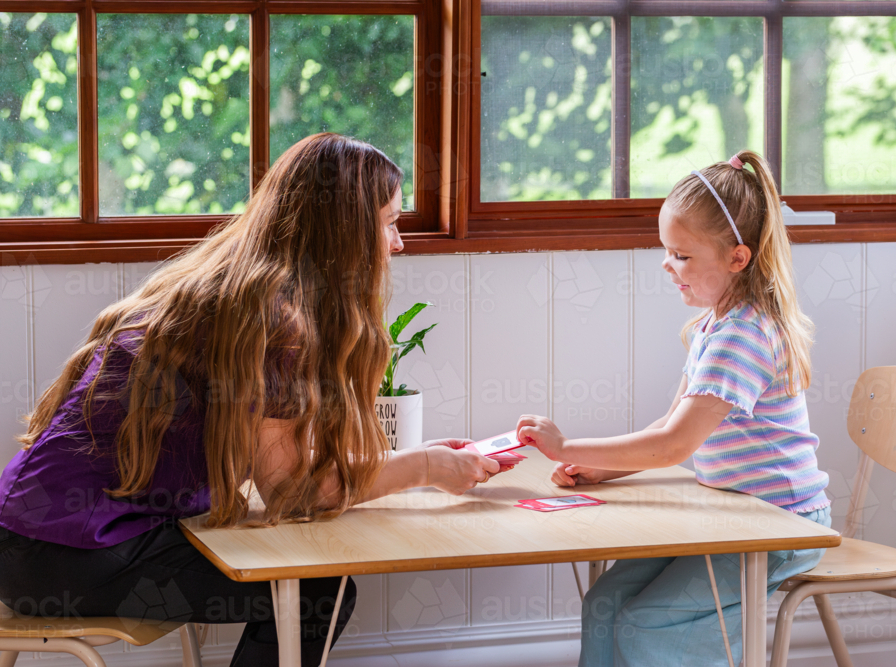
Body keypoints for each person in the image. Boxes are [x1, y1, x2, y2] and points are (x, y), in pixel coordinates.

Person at [0, 133, 500, 667]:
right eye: (388, 221)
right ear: (343, 233)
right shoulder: (273, 323)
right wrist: (423, 466)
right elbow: (294, 491)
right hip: (71, 560)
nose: (397, 243)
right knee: (316, 594)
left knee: (303, 576)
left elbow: (285, 470)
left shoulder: (223, 287)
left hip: (24, 544)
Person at [516, 151, 832, 667]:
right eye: (667, 250)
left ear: (738, 257)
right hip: (732, 513)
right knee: (605, 604)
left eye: (682, 255)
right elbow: (670, 426)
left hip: (779, 525)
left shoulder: (743, 336)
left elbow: (674, 447)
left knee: (647, 628)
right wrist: (605, 467)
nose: (668, 265)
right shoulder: (716, 324)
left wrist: (566, 445)